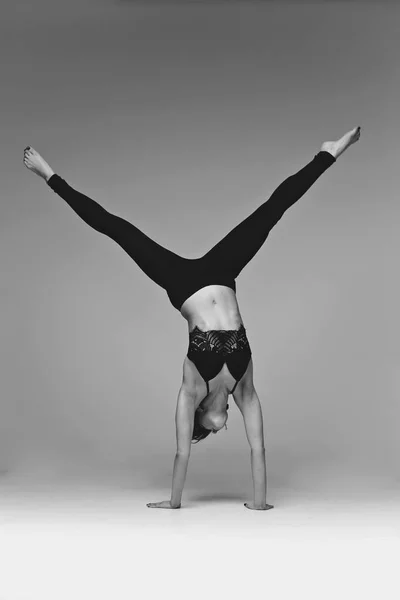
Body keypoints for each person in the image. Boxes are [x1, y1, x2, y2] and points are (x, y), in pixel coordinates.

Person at [23, 126, 361, 510]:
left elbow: (183, 453)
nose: (225, 425)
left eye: (216, 428)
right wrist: (260, 503)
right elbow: (259, 447)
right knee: (269, 213)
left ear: (203, 418)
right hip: (222, 273)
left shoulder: (189, 393)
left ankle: (49, 176)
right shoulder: (244, 389)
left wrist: (173, 503)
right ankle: (328, 155)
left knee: (116, 228)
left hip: (181, 283)